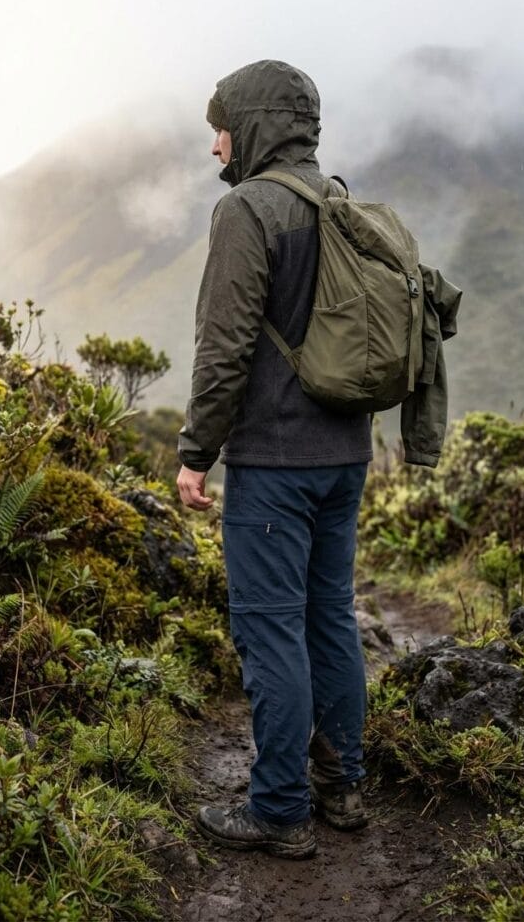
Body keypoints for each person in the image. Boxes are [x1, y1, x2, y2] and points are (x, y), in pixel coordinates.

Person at [177, 60, 372, 860]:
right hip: (346, 456)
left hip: (274, 466)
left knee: (269, 632)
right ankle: (342, 785)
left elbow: (222, 347)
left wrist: (196, 453)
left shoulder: (247, 210)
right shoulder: (340, 202)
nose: (215, 144)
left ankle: (281, 810)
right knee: (329, 617)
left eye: (220, 127)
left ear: (251, 125)